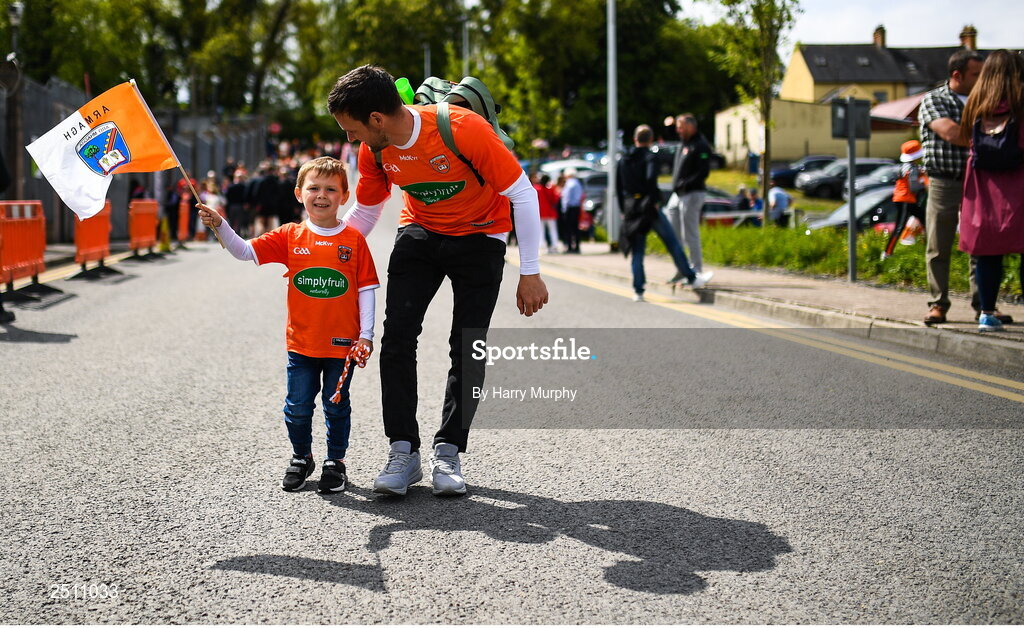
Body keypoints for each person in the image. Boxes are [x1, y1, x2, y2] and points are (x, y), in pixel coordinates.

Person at [327, 65, 548, 497]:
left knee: (467, 344)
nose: (350, 141)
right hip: (421, 231)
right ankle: (403, 451)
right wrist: (330, 251)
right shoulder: (373, 151)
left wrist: (530, 272)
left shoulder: (462, 129)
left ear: (376, 118)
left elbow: (523, 193)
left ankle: (448, 449)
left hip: (481, 234)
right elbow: (369, 211)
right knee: (396, 340)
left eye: (352, 130)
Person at [196, 156, 379, 493]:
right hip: (302, 344)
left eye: (330, 189)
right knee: (296, 408)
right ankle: (302, 456)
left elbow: (366, 288)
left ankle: (334, 463)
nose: (321, 195)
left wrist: (366, 335)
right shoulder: (289, 235)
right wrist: (221, 224)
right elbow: (244, 251)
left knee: (335, 406)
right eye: (313, 188)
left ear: (344, 195)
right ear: (299, 193)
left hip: (342, 346)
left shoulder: (354, 240)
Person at [919, 49, 1010, 325]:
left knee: (982, 244)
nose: (983, 78)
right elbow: (953, 134)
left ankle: (984, 306)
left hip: (980, 180)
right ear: (957, 75)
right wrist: (992, 134)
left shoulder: (987, 99)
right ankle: (938, 304)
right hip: (945, 180)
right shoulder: (934, 99)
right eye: (976, 74)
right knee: (939, 244)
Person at [958, 50, 1024, 332]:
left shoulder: (975, 103)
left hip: (983, 184)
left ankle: (986, 312)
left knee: (987, 251)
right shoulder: (1021, 101)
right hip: (1018, 180)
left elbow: (964, 137)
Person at [617, 124, 713, 302]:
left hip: (632, 207)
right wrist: (655, 201)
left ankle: (638, 291)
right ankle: (691, 277)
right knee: (672, 242)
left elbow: (618, 187)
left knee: (637, 250)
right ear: (651, 140)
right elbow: (650, 179)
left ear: (635, 139)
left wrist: (624, 210)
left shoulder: (623, 160)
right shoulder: (650, 157)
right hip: (648, 206)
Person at [668, 113, 712, 273]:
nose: (678, 130)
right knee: (674, 233)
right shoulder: (684, 143)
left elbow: (703, 171)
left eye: (680, 127)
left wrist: (684, 183)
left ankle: (696, 269)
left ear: (690, 126)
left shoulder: (700, 145)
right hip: (678, 194)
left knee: (690, 233)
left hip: (692, 193)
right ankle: (681, 268)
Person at [883, 140, 928, 259]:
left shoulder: (905, 166)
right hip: (905, 200)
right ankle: (887, 253)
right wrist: (924, 183)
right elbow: (914, 187)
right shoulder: (912, 169)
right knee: (900, 226)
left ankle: (928, 246)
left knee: (925, 220)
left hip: (906, 200)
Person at [533, 172, 561, 254]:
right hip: (550, 213)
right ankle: (554, 245)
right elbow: (555, 200)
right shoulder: (551, 189)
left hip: (540, 212)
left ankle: (541, 246)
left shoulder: (536, 189)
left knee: (541, 230)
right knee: (553, 230)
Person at [560, 168, 583, 253]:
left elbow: (566, 197)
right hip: (576, 207)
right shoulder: (578, 183)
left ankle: (570, 246)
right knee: (575, 228)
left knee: (568, 228)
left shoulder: (569, 184)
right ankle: (577, 247)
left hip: (570, 208)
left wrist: (564, 209)